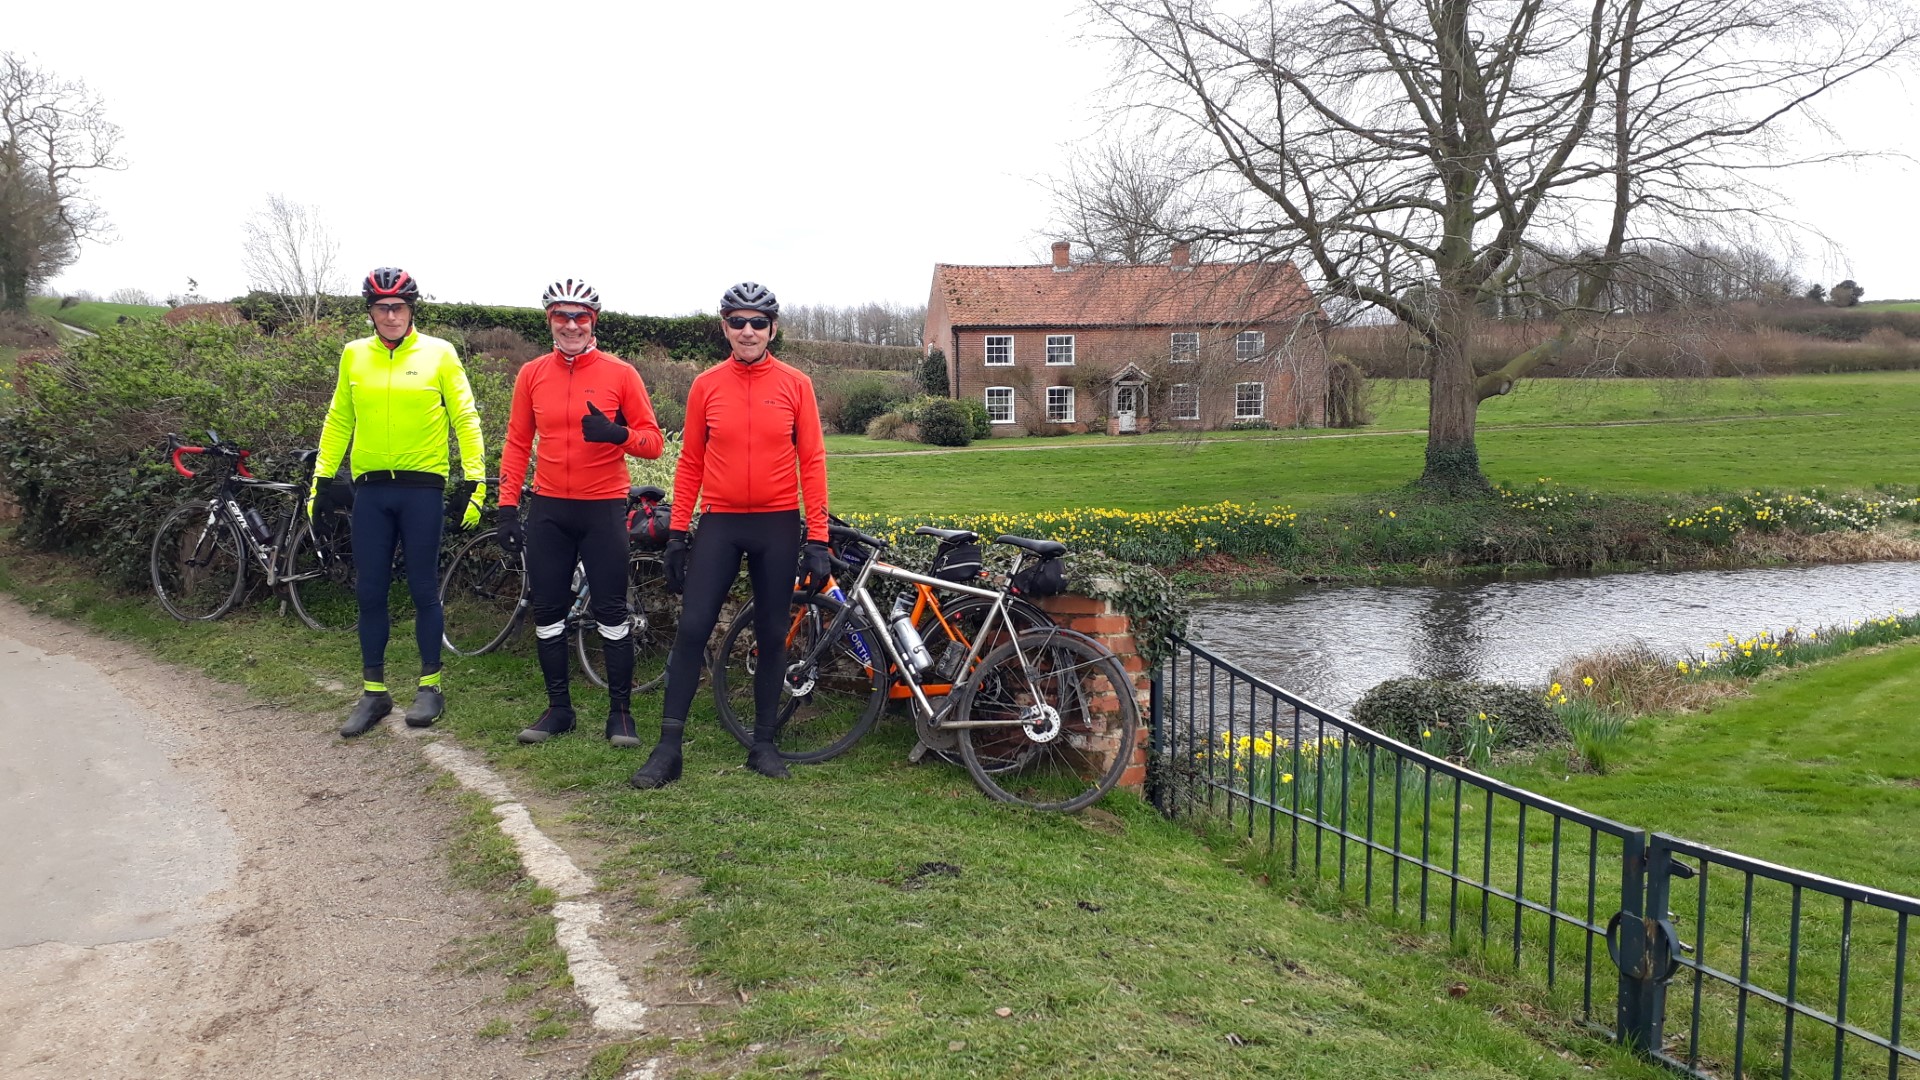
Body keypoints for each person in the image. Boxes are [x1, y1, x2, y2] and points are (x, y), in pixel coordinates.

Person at [630, 281, 831, 789]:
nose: (747, 331)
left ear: (773, 330)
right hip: (720, 522)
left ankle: (763, 745)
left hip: (777, 523)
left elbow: (812, 462)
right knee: (693, 627)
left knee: (771, 634)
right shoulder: (706, 385)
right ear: (725, 328)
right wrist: (678, 534)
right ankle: (667, 749)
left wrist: (819, 538)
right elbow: (691, 462)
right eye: (737, 322)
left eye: (758, 323)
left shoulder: (796, 384)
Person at [310, 267, 487, 737]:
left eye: (399, 307)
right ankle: (374, 693)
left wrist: (474, 482)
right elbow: (339, 419)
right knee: (369, 592)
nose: (391, 315)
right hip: (371, 491)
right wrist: (321, 480)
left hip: (422, 490)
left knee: (423, 589)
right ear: (370, 311)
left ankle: (430, 686)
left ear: (411, 309)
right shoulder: (354, 355)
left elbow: (466, 419)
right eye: (381, 307)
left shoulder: (439, 353)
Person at [496, 278, 664, 748]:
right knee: (548, 612)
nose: (571, 325)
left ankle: (621, 714)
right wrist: (506, 507)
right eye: (561, 316)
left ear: (594, 321)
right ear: (549, 320)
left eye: (580, 316)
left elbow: (653, 442)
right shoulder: (532, 374)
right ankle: (559, 710)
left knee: (611, 613)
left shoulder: (621, 374)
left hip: (602, 508)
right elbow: (517, 442)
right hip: (549, 508)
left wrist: (617, 434)